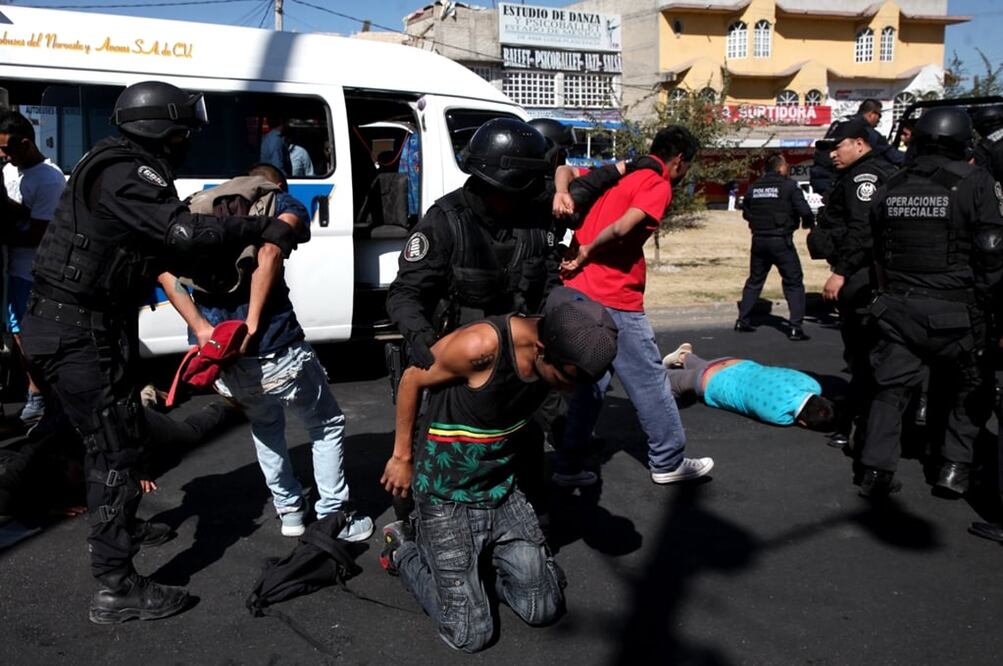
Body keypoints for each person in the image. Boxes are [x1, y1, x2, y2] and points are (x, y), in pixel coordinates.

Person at [20, 81, 298, 624]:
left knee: (122, 426)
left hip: (88, 327)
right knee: (113, 450)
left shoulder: (119, 167)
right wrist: (260, 226)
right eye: (181, 132)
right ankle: (116, 586)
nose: (186, 141)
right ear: (161, 130)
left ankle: (121, 526)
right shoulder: (127, 172)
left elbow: (158, 249)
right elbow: (183, 233)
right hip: (77, 333)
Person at [378, 286, 618, 653]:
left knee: (543, 608)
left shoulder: (564, 343)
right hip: (447, 494)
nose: (571, 390)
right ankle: (404, 548)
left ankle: (474, 573)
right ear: (541, 349)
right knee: (470, 634)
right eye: (566, 379)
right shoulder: (480, 347)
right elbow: (413, 378)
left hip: (502, 490)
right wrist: (401, 458)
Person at [158, 163, 373, 542]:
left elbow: (164, 271)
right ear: (275, 186)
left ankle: (290, 512)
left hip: (224, 354)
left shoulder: (197, 209)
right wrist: (253, 324)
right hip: (277, 347)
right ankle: (333, 516)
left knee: (265, 426)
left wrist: (202, 328)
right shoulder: (281, 202)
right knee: (325, 425)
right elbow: (271, 252)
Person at [855, 107, 1003, 499]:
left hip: (897, 309)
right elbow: (992, 253)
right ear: (963, 142)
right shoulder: (977, 182)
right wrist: (992, 309)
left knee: (890, 390)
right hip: (957, 311)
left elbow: (874, 248)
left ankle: (875, 470)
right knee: (970, 387)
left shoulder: (892, 183)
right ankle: (954, 469)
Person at [555, 125, 714, 487]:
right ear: (679, 160)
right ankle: (668, 460)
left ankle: (568, 465)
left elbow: (564, 169)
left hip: (578, 289)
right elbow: (624, 227)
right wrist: (588, 250)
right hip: (615, 294)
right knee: (649, 381)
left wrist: (561, 192)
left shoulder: (619, 172)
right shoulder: (657, 182)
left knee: (591, 382)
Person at [807, 116, 898, 449]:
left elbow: (863, 232)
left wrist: (842, 272)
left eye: (838, 147)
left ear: (860, 144)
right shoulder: (854, 174)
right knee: (862, 352)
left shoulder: (865, 177)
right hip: (863, 273)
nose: (832, 154)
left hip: (864, 276)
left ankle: (863, 425)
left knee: (865, 353)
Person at [0, 110, 65, 425]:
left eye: (6, 148)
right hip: (13, 270)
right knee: (18, 336)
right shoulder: (11, 170)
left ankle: (45, 399)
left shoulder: (49, 179)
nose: (3, 155)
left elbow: (38, 234)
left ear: (25, 143)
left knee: (31, 340)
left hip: (33, 273)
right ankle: (37, 394)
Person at [661, 343, 838, 429]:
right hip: (709, 382)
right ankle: (673, 363)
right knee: (660, 380)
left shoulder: (812, 384)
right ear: (803, 423)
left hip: (734, 363)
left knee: (704, 366)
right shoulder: (781, 416)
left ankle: (684, 356)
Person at [735, 152, 814, 341]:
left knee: (755, 281)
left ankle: (742, 320)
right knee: (793, 281)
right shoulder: (789, 186)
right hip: (781, 241)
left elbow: (746, 211)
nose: (788, 167)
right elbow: (805, 211)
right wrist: (807, 224)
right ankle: (795, 327)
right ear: (780, 167)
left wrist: (756, 222)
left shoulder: (755, 187)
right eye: (786, 165)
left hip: (759, 240)